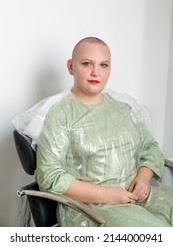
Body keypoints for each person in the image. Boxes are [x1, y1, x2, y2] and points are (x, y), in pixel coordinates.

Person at [28, 37, 173, 226]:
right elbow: (50, 176)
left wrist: (143, 179)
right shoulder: (60, 115)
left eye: (104, 65)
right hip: (91, 209)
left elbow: (150, 148)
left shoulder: (123, 108)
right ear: (71, 67)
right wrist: (106, 195)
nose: (96, 72)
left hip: (138, 194)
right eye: (87, 63)